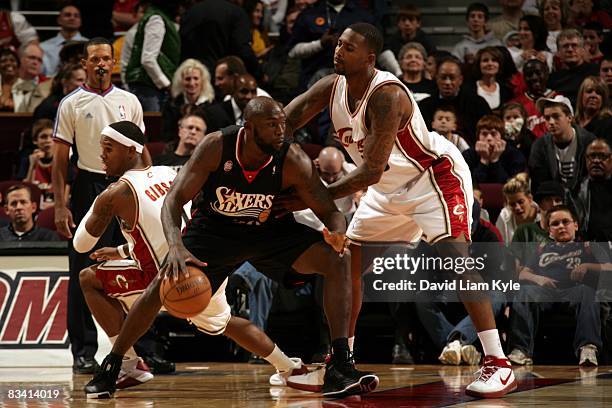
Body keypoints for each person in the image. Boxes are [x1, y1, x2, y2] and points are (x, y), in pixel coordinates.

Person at [84, 98, 379, 399]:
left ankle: (340, 363)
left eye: (282, 123)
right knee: (163, 284)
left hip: (269, 232)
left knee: (338, 259)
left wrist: (337, 233)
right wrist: (175, 245)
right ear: (249, 128)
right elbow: (173, 200)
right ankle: (114, 365)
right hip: (215, 233)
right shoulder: (216, 146)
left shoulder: (293, 159)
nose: (281, 131)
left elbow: (330, 211)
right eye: (272, 125)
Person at [280, 23, 516, 398]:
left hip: (432, 176)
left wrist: (314, 195)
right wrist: (259, 147)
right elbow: (285, 122)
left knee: (457, 259)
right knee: (346, 265)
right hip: (384, 189)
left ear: (370, 58)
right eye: (338, 44)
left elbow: (371, 168)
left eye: (349, 48)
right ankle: (340, 362)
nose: (338, 51)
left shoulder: (387, 95)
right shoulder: (332, 86)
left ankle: (498, 362)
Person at [76, 121, 309, 398]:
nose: (101, 155)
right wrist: (123, 251)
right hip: (207, 265)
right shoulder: (168, 173)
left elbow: (81, 245)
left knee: (89, 279)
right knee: (225, 323)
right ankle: (289, 368)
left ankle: (127, 364)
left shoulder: (117, 193)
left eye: (108, 148)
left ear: (131, 151)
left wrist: (100, 202)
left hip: (165, 277)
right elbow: (164, 229)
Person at [51, 37, 149, 374]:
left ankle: (146, 349)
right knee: (82, 266)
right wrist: (61, 205)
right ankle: (83, 351)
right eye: (95, 59)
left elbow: (140, 150)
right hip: (88, 184)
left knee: (141, 262)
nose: (102, 64)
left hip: (128, 185)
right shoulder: (71, 103)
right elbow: (60, 160)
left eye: (107, 58)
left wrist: (150, 185)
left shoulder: (130, 100)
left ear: (113, 62)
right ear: (85, 63)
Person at [507, 205, 607, 366]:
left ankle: (587, 348)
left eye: (565, 222)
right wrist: (538, 279)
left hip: (575, 290)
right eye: (555, 224)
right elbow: (523, 274)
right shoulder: (541, 249)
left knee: (588, 291)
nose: (561, 226)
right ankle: (521, 350)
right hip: (545, 292)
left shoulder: (588, 247)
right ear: (549, 231)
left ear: (576, 225)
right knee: (525, 291)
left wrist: (588, 266)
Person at [528, 95, 595, 194]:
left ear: (569, 117)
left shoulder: (588, 142)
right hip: (554, 200)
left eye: (556, 116)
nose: (551, 122)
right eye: (547, 118)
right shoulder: (540, 146)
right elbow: (539, 183)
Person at [125, 0, 181, 112]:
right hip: (148, 87)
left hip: (150, 86)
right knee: (153, 126)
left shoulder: (157, 17)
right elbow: (148, 59)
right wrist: (167, 84)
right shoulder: (156, 19)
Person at [462, 115, 526, 184]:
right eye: (484, 134)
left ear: (501, 136)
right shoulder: (468, 155)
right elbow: (470, 185)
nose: (489, 138)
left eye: (493, 134)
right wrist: (484, 160)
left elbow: (509, 186)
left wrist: (495, 160)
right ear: (478, 137)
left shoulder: (515, 155)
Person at [40, 4, 88, 76]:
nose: (72, 18)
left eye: (76, 16)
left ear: (80, 21)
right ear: (59, 20)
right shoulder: (43, 48)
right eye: (67, 15)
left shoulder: (91, 46)